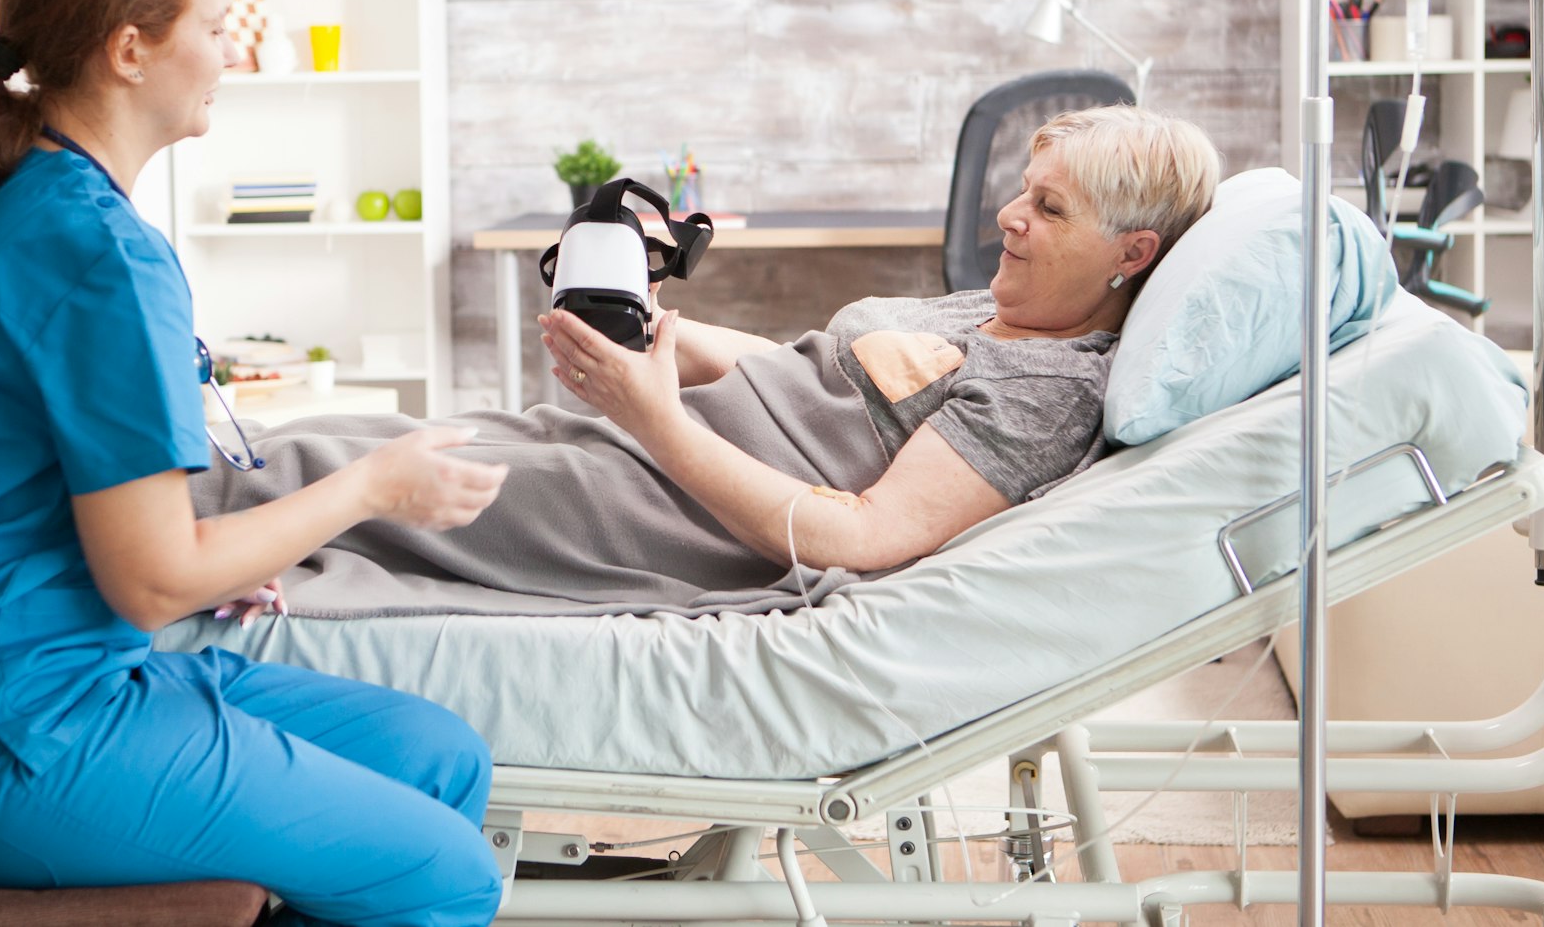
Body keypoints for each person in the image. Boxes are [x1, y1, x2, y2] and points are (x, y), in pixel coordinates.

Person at [0, 0, 508, 927]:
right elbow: (151, 580)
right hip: (9, 732)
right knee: (447, 874)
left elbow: (18, 497)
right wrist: (374, 484)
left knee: (436, 754)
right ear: (129, 50)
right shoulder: (100, 253)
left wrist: (220, 560)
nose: (230, 54)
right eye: (217, 27)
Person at [190, 105, 1221, 617]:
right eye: (1022, 189)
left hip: (670, 507)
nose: (1009, 215)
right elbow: (810, 371)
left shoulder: (1049, 388)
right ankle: (113, 519)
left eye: (1048, 208)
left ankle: (86, 557)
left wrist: (652, 420)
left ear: (1133, 253)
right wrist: (656, 338)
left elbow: (861, 536)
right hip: (646, 443)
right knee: (357, 440)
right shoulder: (993, 310)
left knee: (333, 481)